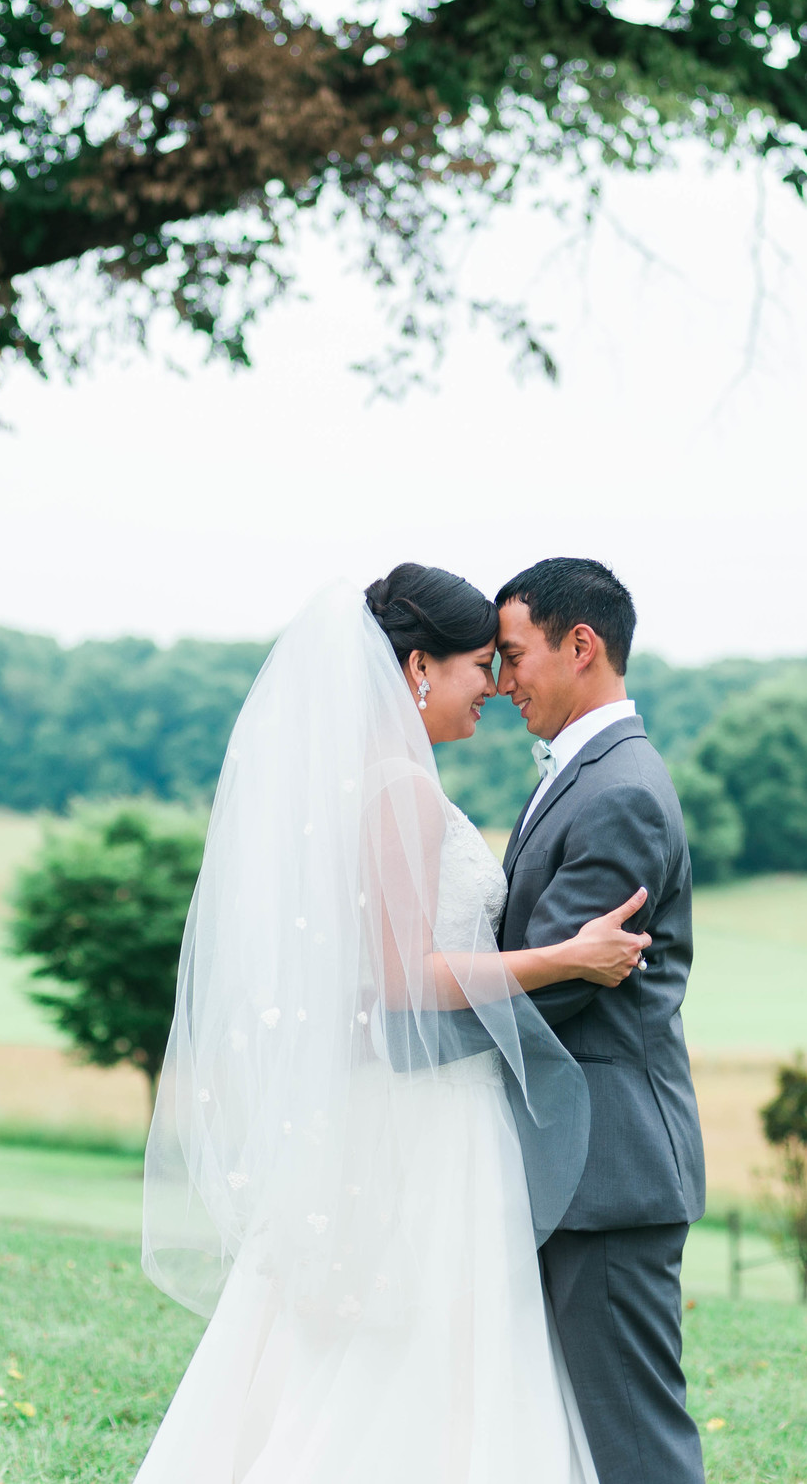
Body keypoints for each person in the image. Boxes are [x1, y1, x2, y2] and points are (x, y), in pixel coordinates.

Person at [135, 565, 654, 1484]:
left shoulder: (365, 781)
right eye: (478, 665)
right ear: (418, 668)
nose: (493, 685)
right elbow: (403, 976)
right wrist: (564, 957)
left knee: (372, 1357)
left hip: (398, 1100)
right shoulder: (401, 788)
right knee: (423, 1361)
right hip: (432, 1117)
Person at [493, 558, 706, 1484]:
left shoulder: (619, 789)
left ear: (580, 644)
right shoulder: (589, 773)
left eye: (513, 656)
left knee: (635, 1449)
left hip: (607, 1170)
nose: (503, 683)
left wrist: (400, 1023)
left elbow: (552, 986)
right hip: (575, 1163)